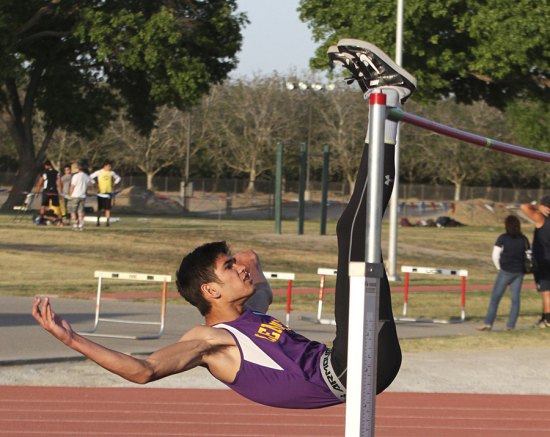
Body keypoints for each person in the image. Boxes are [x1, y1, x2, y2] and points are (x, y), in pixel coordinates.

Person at [32, 39, 413, 408]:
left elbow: (253, 261)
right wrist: (71, 338)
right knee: (352, 232)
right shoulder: (211, 340)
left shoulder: (256, 312)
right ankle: (384, 98)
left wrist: (237, 260)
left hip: (359, 361)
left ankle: (387, 100)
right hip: (346, 370)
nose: (240, 268)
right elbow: (143, 371)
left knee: (357, 233)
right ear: (210, 291)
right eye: (227, 267)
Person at [477, 215, 529, 331]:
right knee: (515, 300)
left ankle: (488, 323)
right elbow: (528, 255)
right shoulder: (524, 239)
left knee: (495, 298)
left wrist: (499, 268)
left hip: (505, 271)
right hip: (519, 272)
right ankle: (510, 326)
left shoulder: (503, 238)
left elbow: (495, 255)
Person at [520, 195, 550, 328]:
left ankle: (547, 320)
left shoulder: (541, 219)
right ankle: (544, 317)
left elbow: (524, 207)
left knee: (546, 291)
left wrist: (538, 207)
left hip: (544, 260)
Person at [90, 160, 121, 227]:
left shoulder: (111, 173)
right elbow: (90, 177)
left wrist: (115, 183)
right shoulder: (99, 172)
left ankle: (107, 222)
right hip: (101, 193)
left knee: (108, 208)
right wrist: (95, 183)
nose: (109, 168)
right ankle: (98, 221)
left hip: (108, 193)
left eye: (110, 166)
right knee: (100, 208)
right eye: (108, 166)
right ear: (105, 166)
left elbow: (118, 178)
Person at [35, 160, 63, 225]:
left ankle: (41, 220)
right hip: (54, 191)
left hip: (46, 191)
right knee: (58, 206)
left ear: (46, 165)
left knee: (43, 206)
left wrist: (37, 192)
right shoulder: (56, 172)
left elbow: (40, 183)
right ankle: (60, 221)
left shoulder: (44, 172)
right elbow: (59, 183)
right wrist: (60, 193)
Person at [66, 162, 91, 231]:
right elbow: (88, 186)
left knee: (73, 211)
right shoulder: (86, 176)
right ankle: (81, 225)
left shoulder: (75, 176)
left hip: (75, 195)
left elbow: (72, 186)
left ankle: (75, 224)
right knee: (81, 211)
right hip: (82, 196)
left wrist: (70, 194)